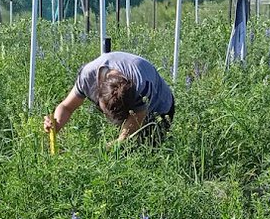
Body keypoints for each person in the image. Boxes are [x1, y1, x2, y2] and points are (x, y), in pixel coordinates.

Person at [45, 51, 175, 147]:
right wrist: (56, 124)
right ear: (98, 92)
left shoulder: (142, 86)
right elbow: (66, 107)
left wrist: (112, 147)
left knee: (147, 151)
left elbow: (126, 136)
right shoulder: (87, 77)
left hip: (160, 110)